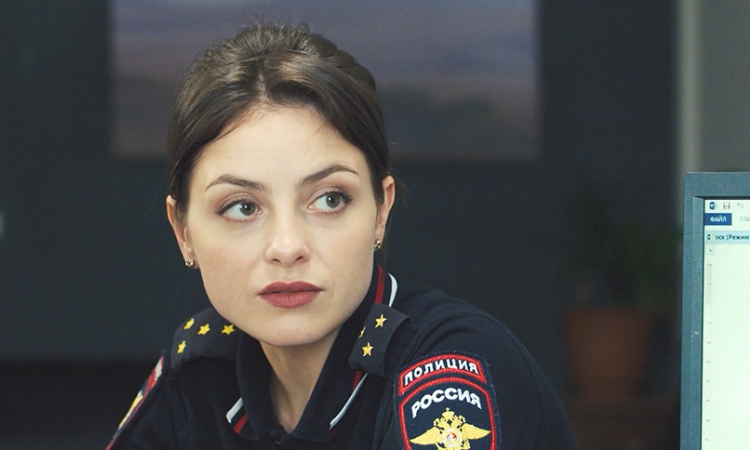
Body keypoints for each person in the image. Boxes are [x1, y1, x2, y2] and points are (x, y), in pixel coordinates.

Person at [107, 23, 579, 450]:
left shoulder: (450, 371)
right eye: (242, 207)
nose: (287, 247)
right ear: (183, 232)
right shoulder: (200, 369)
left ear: (380, 211)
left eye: (329, 199)